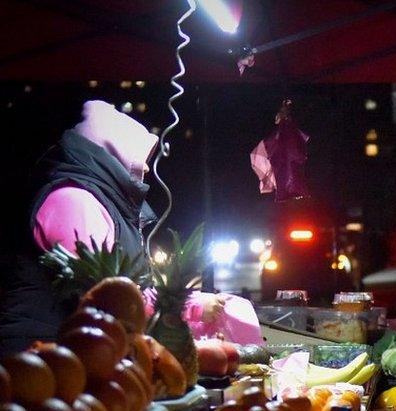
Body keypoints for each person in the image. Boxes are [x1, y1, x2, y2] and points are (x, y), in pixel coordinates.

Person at [0, 100, 232, 355]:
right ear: (111, 152)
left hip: (76, 351)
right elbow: (108, 294)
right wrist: (191, 306)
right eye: (139, 156)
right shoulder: (75, 201)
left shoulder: (104, 202)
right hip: (41, 354)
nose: (146, 167)